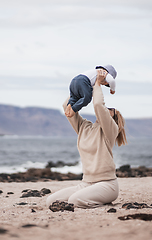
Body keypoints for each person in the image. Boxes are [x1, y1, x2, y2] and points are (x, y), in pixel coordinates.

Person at [46, 70, 127, 209]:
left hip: (107, 184)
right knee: (51, 201)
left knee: (74, 201)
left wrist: (98, 83)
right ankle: (96, 199)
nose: (106, 109)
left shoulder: (110, 131)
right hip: (86, 183)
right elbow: (66, 106)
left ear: (112, 119)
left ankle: (102, 201)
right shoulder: (84, 127)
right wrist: (83, 84)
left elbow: (98, 105)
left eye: (110, 109)